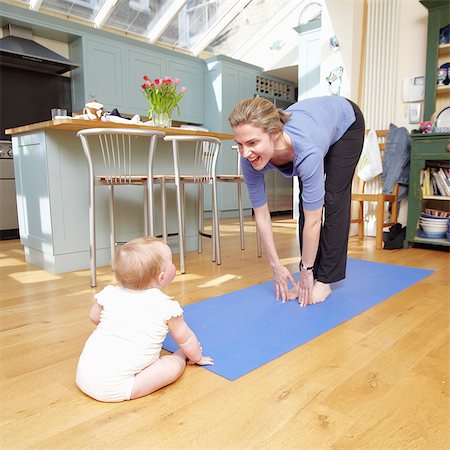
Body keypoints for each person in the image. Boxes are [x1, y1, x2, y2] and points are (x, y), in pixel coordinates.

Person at [228, 96, 365, 307]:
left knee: (333, 197)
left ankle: (325, 279)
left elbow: (313, 220)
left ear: (274, 133)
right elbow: (262, 215)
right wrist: (276, 265)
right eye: (240, 144)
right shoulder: (248, 157)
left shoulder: (306, 149)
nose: (245, 152)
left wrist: (306, 272)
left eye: (252, 143)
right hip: (314, 127)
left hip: (346, 123)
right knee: (306, 201)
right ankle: (310, 269)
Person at [76, 237, 213, 402]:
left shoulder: (111, 293)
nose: (173, 265)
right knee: (170, 367)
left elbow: (94, 316)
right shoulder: (166, 307)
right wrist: (197, 357)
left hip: (84, 376)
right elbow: (186, 338)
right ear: (162, 277)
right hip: (118, 388)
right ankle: (180, 356)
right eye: (171, 262)